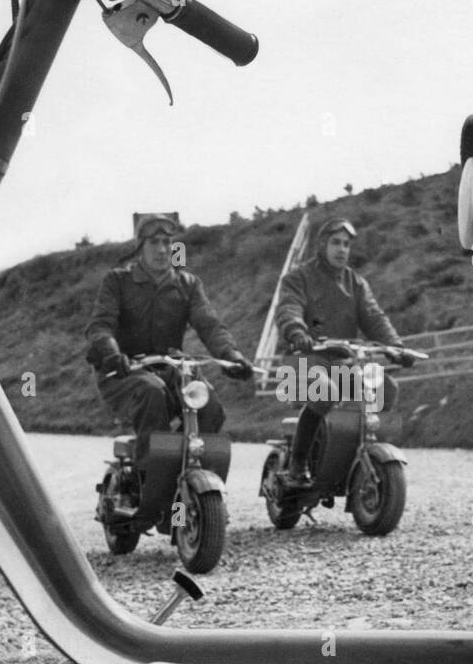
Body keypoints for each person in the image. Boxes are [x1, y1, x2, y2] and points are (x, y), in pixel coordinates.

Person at [84, 214, 252, 531]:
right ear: (140, 247)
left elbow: (209, 324)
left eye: (168, 243)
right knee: (152, 395)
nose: (162, 250)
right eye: (154, 243)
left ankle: (196, 493)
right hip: (123, 370)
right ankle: (147, 488)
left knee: (210, 405)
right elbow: (100, 325)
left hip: (169, 368)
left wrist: (231, 356)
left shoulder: (186, 284)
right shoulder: (118, 281)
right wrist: (112, 351)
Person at [274, 217, 417, 480]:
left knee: (386, 389)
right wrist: (297, 331)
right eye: (336, 242)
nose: (342, 249)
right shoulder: (298, 278)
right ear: (321, 245)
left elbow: (374, 317)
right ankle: (298, 461)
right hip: (303, 361)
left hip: (343, 363)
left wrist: (395, 347)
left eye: (347, 244)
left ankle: (356, 450)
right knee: (324, 391)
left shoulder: (356, 283)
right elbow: (288, 308)